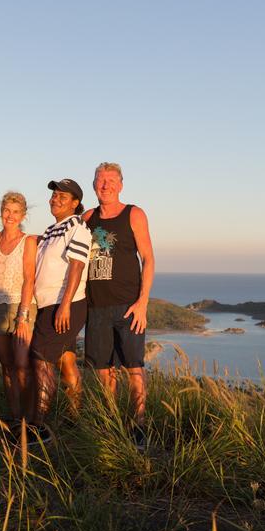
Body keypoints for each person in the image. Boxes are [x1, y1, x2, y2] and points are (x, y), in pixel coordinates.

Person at [82, 162, 156, 449]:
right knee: (103, 370)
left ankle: (138, 425)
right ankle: (111, 421)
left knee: (134, 367)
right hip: (97, 306)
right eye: (101, 180)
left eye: (111, 180)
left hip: (128, 306)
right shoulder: (87, 217)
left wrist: (143, 303)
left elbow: (148, 259)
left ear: (121, 185)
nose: (106, 185)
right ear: (94, 185)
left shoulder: (134, 214)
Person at [28, 179, 91, 442]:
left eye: (62, 196)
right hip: (50, 304)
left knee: (40, 360)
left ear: (75, 203)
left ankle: (39, 428)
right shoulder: (52, 230)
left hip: (64, 304)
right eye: (54, 195)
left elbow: (76, 267)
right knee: (66, 360)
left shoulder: (78, 226)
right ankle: (74, 418)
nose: (55, 199)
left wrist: (64, 305)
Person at [0, 192, 38, 425]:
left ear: (23, 215)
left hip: (21, 307)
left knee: (22, 366)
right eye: (7, 210)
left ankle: (32, 418)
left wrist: (23, 316)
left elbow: (29, 279)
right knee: (7, 367)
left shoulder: (29, 241)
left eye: (16, 211)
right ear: (1, 211)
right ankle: (16, 418)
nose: (10, 215)